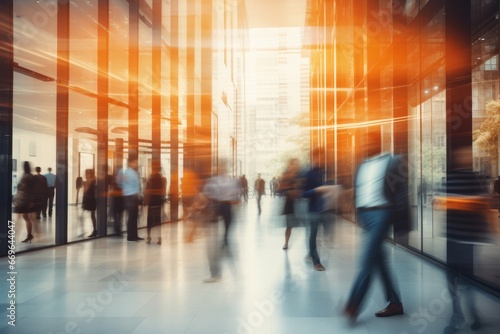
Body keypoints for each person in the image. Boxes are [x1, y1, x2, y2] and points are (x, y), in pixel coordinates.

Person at [343, 131, 407, 322]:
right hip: (365, 215)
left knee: (367, 259)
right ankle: (395, 303)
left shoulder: (392, 161)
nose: (364, 146)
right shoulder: (361, 164)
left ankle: (353, 305)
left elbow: (401, 193)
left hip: (382, 213)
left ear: (377, 143)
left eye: (367, 142)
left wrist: (402, 224)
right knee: (379, 260)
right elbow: (359, 190)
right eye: (362, 143)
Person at [441, 146, 490, 333]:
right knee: (451, 279)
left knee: (467, 281)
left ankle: (472, 316)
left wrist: (457, 202)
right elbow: (440, 202)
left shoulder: (475, 179)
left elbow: (481, 203)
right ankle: (457, 315)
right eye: (462, 155)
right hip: (453, 237)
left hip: (467, 239)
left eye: (467, 156)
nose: (464, 158)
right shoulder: (451, 179)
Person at [202, 161, 240, 282]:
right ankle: (225, 245)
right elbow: (236, 197)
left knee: (214, 238)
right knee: (225, 233)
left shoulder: (213, 181)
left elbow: (207, 194)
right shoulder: (232, 181)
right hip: (227, 207)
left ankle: (216, 271)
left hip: (217, 207)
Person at [302, 148, 327, 271]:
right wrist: (316, 190)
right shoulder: (308, 173)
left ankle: (310, 254)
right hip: (312, 210)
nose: (322, 159)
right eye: (320, 157)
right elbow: (303, 193)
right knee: (313, 236)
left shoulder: (321, 172)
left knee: (317, 236)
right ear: (315, 158)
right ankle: (316, 262)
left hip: (321, 209)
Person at [117, 157, 143, 241]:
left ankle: (134, 235)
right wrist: (127, 189)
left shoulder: (130, 172)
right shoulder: (129, 172)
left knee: (134, 216)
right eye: (135, 162)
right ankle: (131, 236)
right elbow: (120, 182)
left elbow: (119, 182)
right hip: (130, 196)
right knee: (132, 216)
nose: (136, 164)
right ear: (130, 163)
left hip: (131, 195)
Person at [279, 158, 302, 250]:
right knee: (289, 225)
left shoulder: (300, 175)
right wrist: (290, 191)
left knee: (307, 224)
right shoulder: (286, 176)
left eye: (296, 165)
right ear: (290, 165)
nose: (295, 166)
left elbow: (303, 186)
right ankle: (286, 243)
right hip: (290, 203)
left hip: (300, 203)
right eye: (293, 164)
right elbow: (281, 189)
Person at [13, 161, 36, 243]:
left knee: (20, 217)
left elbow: (21, 187)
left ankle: (14, 235)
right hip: (26, 199)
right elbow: (32, 189)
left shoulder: (25, 176)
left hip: (22, 199)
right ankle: (29, 234)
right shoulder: (31, 176)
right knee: (26, 217)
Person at [144, 165, 166, 245]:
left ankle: (149, 237)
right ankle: (159, 237)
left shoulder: (150, 179)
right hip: (158, 202)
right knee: (157, 220)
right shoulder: (161, 179)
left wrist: (146, 199)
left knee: (150, 220)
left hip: (152, 202)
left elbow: (147, 190)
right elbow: (163, 190)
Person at [82, 169, 97, 238]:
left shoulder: (92, 181)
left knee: (92, 215)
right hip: (88, 199)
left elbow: (88, 190)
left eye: (89, 173)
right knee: (91, 215)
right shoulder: (88, 181)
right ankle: (94, 229)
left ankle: (95, 230)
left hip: (92, 200)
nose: (87, 175)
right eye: (87, 173)